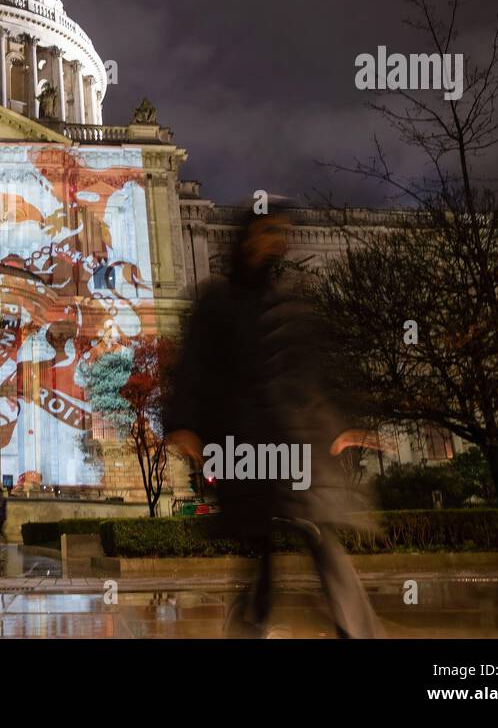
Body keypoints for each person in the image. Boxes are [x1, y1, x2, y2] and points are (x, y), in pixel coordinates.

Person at [164, 204, 384, 639]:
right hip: (245, 445)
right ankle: (250, 627)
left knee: (317, 536)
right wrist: (184, 423)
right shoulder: (217, 303)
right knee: (263, 550)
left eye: (282, 233)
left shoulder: (289, 300)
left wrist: (342, 422)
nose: (278, 241)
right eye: (270, 232)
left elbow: (319, 369)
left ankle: (357, 631)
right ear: (248, 239)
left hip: (290, 441)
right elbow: (192, 368)